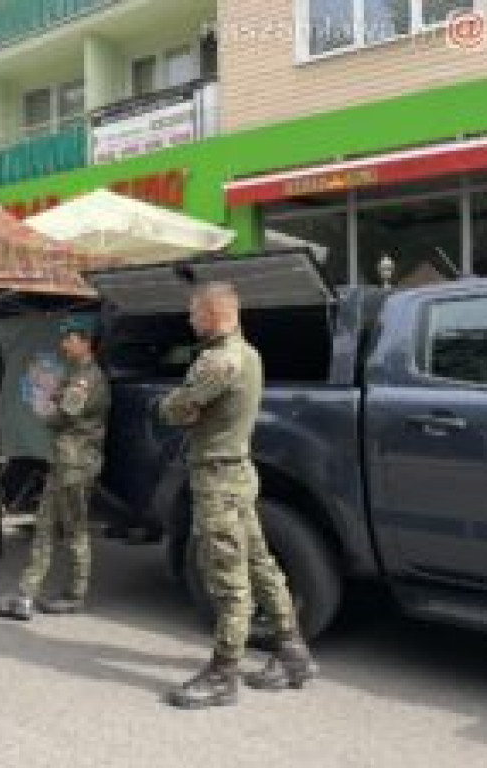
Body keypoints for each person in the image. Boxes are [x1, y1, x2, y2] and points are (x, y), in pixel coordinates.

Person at [158, 281, 315, 709]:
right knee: (260, 563)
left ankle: (223, 672)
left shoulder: (217, 360)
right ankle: (293, 652)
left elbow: (174, 410)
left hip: (217, 478)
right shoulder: (249, 354)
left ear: (214, 313)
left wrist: (170, 403)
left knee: (225, 573)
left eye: (194, 312)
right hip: (238, 474)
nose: (190, 320)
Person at [0, 316, 109, 620]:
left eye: (69, 338)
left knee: (74, 532)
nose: (63, 344)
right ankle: (26, 595)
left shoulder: (88, 378)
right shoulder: (77, 374)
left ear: (85, 342)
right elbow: (62, 401)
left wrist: (42, 406)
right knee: (46, 527)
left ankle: (72, 594)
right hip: (65, 464)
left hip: (75, 466)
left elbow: (62, 416)